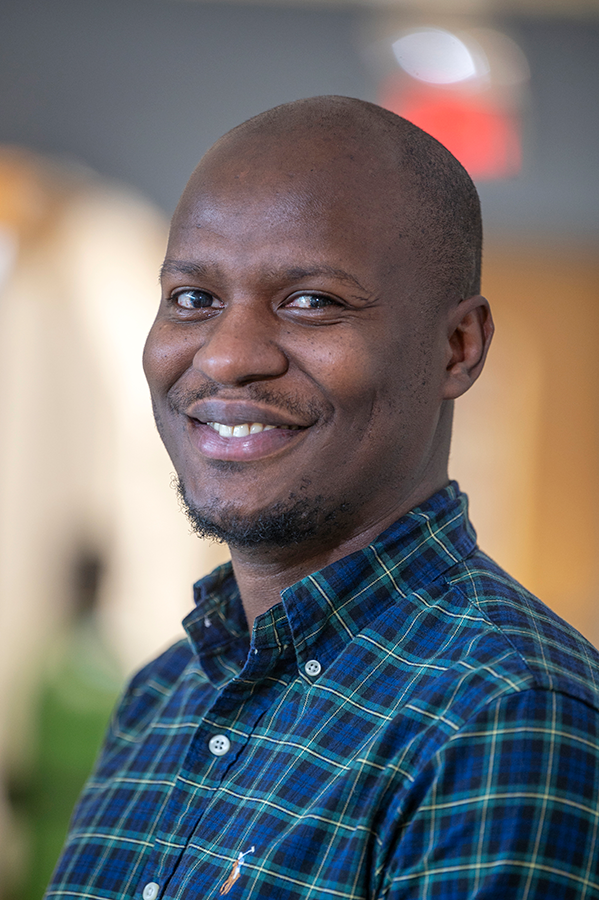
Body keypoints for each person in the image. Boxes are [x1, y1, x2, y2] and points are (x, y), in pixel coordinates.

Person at [46, 96, 599, 899]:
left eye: (311, 302)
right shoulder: (163, 696)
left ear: (457, 347)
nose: (227, 358)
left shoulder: (504, 717)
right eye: (193, 299)